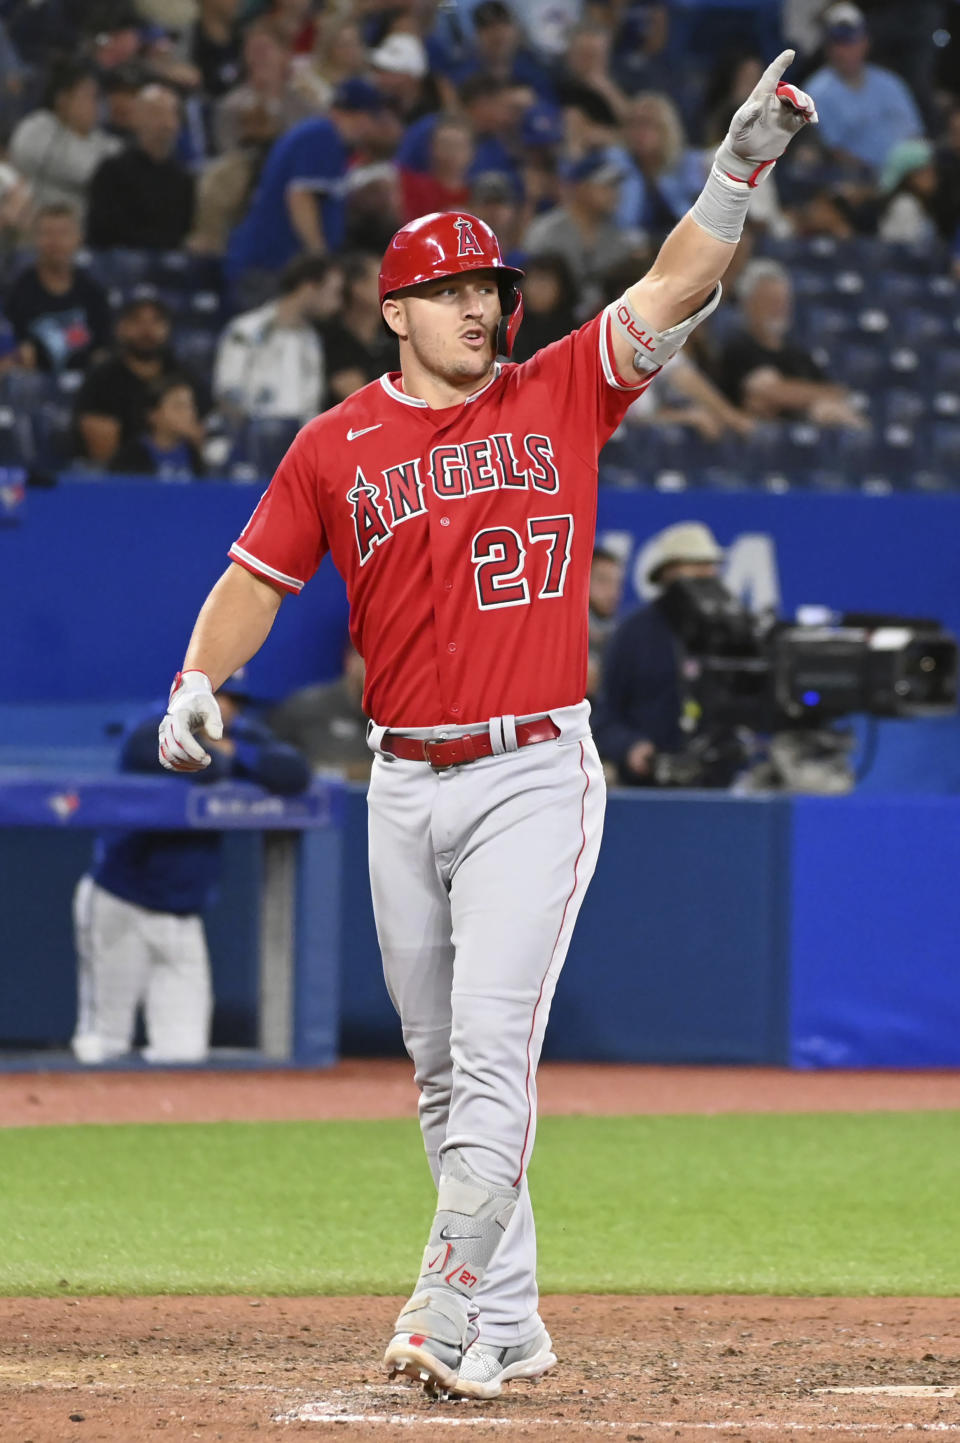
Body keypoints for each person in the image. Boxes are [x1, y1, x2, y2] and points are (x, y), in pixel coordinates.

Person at [156, 52, 814, 1398]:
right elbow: (253, 579)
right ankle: (513, 1316)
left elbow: (673, 285)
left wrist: (732, 173)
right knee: (442, 1077)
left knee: (494, 1044)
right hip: (403, 781)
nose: (477, 306)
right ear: (396, 309)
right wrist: (196, 680)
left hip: (532, 768)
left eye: (489, 288)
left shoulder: (561, 391)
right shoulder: (336, 445)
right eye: (451, 290)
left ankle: (446, 1303)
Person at [72, 673, 310, 1066]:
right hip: (121, 900)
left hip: (183, 916)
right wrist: (229, 754)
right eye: (219, 696)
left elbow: (294, 773)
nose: (228, 709)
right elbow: (202, 765)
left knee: (183, 1054)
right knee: (103, 1044)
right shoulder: (151, 727)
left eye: (234, 700)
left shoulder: (240, 733)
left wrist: (233, 750)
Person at [592, 522, 723, 784]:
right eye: (698, 566)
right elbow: (602, 716)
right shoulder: (631, 635)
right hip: (648, 788)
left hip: (719, 786)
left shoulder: (728, 634)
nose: (708, 575)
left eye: (711, 566)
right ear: (669, 573)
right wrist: (631, 747)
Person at [225, 79, 386, 284]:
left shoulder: (327, 138)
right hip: (268, 266)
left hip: (276, 266)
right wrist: (320, 257)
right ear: (360, 117)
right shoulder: (322, 135)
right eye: (371, 119)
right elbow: (301, 197)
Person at [718, 258, 865, 428]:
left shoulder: (800, 355)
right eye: (770, 301)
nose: (779, 308)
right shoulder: (739, 349)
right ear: (748, 304)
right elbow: (767, 394)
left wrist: (798, 396)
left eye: (783, 300)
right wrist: (812, 398)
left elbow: (836, 393)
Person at [73, 288, 208, 467]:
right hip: (122, 478)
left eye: (156, 321)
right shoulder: (102, 379)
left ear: (168, 328)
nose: (147, 330)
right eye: (136, 320)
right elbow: (101, 451)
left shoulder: (185, 377)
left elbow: (203, 432)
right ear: (121, 327)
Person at [213, 255, 344, 424]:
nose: (338, 304)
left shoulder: (312, 341)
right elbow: (227, 391)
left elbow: (311, 404)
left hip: (299, 438)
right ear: (309, 287)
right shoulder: (246, 329)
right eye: (334, 293)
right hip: (251, 434)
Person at [804, 3, 924, 178]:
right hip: (861, 179)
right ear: (827, 47)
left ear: (865, 43)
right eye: (838, 42)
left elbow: (915, 133)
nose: (845, 50)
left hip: (910, 173)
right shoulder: (816, 92)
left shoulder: (889, 81)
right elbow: (833, 151)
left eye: (851, 41)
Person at [86, 83, 195, 250]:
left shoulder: (183, 179)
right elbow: (103, 230)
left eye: (172, 114)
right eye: (156, 113)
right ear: (137, 118)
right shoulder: (112, 171)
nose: (166, 123)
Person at [6, 202, 112, 373]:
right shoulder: (18, 290)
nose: (55, 242)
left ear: (79, 238)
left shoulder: (93, 290)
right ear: (35, 239)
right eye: (47, 233)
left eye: (64, 233)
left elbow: (102, 350)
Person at [522, 150, 646, 295]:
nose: (615, 193)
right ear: (581, 188)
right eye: (606, 185)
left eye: (616, 186)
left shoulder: (620, 237)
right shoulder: (545, 232)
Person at [9, 60, 120, 219]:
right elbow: (87, 173)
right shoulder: (37, 127)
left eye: (96, 97)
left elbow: (119, 175)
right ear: (63, 99)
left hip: (83, 232)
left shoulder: (104, 142)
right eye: (88, 96)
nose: (95, 105)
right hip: (36, 227)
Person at [267, 643, 371, 776]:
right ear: (351, 660)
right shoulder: (306, 708)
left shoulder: (394, 719)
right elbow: (273, 762)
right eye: (375, 659)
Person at [321, 252, 399, 405]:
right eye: (382, 280)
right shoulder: (333, 339)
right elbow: (362, 398)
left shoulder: (392, 339)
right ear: (357, 288)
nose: (393, 288)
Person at [109, 373, 206, 479]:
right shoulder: (130, 458)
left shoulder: (194, 455)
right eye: (178, 406)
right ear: (153, 415)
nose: (189, 413)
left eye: (190, 405)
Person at [400, 116, 474, 224]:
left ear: (471, 151)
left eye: (457, 145)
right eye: (445, 144)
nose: (451, 152)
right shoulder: (412, 188)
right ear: (432, 148)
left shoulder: (476, 194)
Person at [587, 544, 624, 699]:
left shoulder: (622, 635)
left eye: (617, 583)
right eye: (603, 581)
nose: (612, 591)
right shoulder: (560, 635)